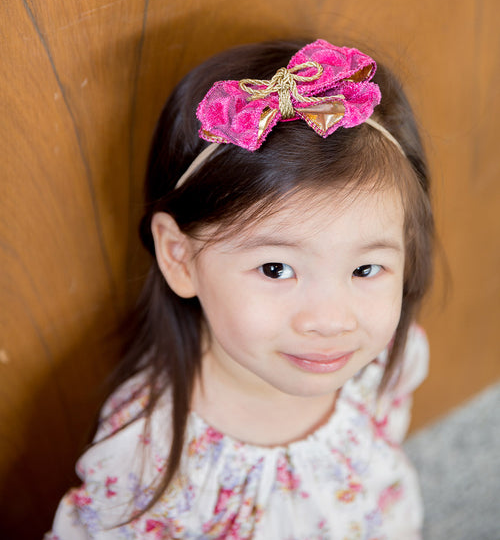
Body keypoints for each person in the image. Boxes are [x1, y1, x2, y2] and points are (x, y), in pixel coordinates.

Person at [46, 38, 434, 539]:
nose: (331, 319)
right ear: (179, 256)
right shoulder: (147, 450)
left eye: (365, 270)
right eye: (276, 269)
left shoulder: (382, 362)